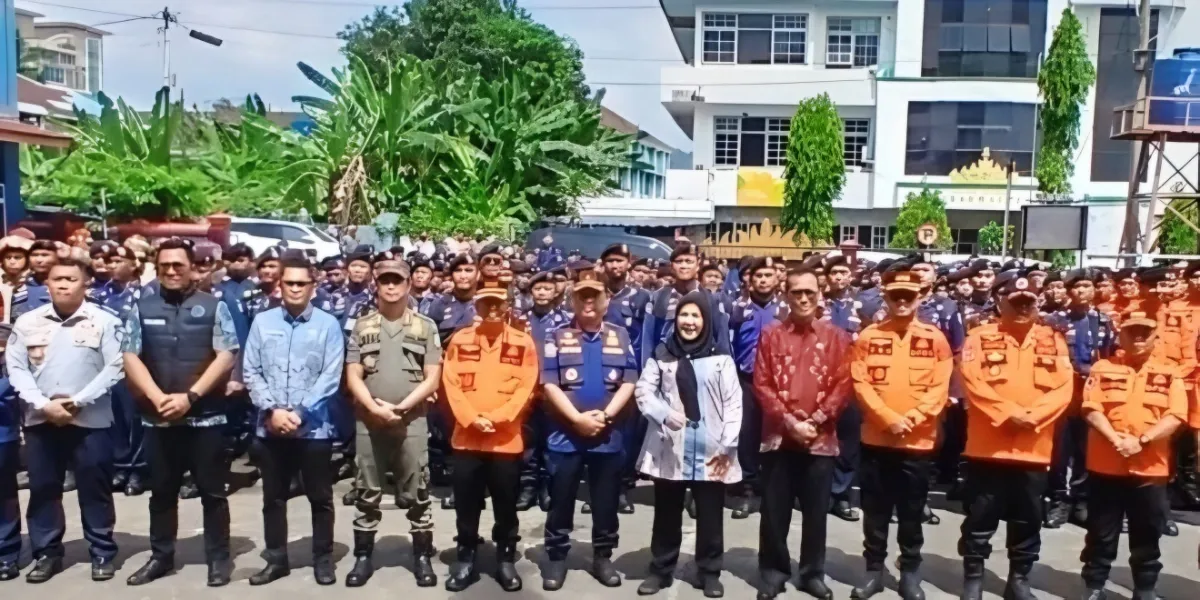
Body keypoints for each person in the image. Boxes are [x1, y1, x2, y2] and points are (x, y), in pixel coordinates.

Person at [120, 238, 240, 587]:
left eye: (179, 265)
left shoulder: (213, 306)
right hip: (159, 417)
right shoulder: (141, 307)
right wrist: (157, 397)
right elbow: (130, 355)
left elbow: (226, 353)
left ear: (192, 268)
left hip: (206, 417)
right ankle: (161, 556)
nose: (172, 271)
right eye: (165, 266)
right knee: (161, 492)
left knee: (213, 493)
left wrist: (191, 396)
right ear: (156, 268)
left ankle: (218, 559)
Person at [6, 256, 124, 583]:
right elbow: (16, 368)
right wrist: (44, 404)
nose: (62, 284)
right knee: (44, 488)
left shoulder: (105, 321)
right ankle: (47, 553)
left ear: (85, 283)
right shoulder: (28, 322)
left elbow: (114, 367)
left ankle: (102, 551)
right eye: (56, 279)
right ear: (47, 283)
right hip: (41, 420)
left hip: (90, 420)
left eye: (70, 279)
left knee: (94, 486)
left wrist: (76, 401)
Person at [958, 271, 1074, 600]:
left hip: (1033, 448)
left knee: (1028, 519)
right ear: (1001, 302)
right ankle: (974, 577)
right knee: (980, 516)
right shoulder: (980, 337)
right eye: (1016, 301)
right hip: (988, 447)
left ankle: (1019, 579)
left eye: (1029, 302)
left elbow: (1064, 387)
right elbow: (971, 379)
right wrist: (1008, 413)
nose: (1023, 307)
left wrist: (1033, 417)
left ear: (1038, 303)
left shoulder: (1054, 340)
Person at [849, 268, 953, 600]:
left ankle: (910, 572)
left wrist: (913, 417)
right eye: (896, 296)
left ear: (920, 297)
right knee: (875, 511)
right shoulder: (868, 337)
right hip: (877, 438)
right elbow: (860, 382)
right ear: (886, 298)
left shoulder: (935, 338)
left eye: (909, 295)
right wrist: (886, 417)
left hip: (917, 441)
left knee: (911, 513)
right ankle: (873, 572)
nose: (903, 301)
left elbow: (940, 385)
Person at [243, 255, 346, 586]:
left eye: (302, 283)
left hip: (314, 429)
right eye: (290, 283)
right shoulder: (263, 323)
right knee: (272, 498)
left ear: (313, 288)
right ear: (279, 285)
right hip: (270, 427)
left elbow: (331, 376)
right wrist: (273, 410)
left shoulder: (328, 325)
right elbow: (251, 370)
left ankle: (322, 558)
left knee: (320, 497)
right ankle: (276, 559)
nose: (296, 289)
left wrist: (300, 412)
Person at [633, 290, 741, 598]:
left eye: (696, 316)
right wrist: (664, 414)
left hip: (712, 449)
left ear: (706, 321)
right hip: (672, 448)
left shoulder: (721, 358)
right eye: (684, 315)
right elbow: (644, 392)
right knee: (666, 512)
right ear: (675, 318)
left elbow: (734, 404)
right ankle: (660, 570)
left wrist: (728, 443)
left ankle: (709, 572)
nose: (689, 322)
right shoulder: (663, 353)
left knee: (709, 513)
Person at [343, 251, 442, 588]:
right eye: (384, 279)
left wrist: (399, 410)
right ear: (376, 283)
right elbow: (353, 374)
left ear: (409, 283)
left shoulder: (425, 326)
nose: (390, 285)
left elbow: (432, 378)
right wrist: (374, 408)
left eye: (396, 279)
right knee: (366, 489)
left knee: (417, 489)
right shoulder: (363, 325)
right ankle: (363, 557)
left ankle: (422, 558)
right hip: (368, 421)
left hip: (411, 420)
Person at [754, 269, 853, 600]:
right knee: (774, 510)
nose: (804, 298)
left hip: (820, 438)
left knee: (815, 513)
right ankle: (773, 571)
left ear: (819, 293)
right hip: (779, 437)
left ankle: (812, 573)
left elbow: (843, 384)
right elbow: (762, 383)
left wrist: (818, 419)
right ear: (786, 295)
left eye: (810, 292)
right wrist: (789, 421)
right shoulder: (771, 335)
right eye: (796, 292)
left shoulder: (837, 337)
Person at [538, 268, 638, 591]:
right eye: (582, 296)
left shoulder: (620, 335)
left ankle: (603, 555)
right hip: (565, 434)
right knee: (561, 497)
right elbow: (550, 385)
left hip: (606, 435)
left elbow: (630, 381)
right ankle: (556, 557)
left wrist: (606, 417)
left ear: (606, 300)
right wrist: (577, 419)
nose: (589, 302)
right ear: (572, 301)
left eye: (595, 295)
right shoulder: (556, 335)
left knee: (605, 500)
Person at [440, 276, 538, 592]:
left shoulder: (523, 343)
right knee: (466, 504)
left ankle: (505, 559)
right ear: (477, 307)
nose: (493, 309)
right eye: (486, 303)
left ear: (508, 305)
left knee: (506, 505)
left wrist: (499, 418)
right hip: (467, 439)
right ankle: (466, 557)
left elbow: (527, 385)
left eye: (499, 302)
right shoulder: (460, 340)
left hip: (505, 440)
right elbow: (450, 383)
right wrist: (470, 418)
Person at [1078, 311, 1183, 600]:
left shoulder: (1170, 372)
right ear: (1120, 336)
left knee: (1148, 533)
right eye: (1132, 332)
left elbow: (1176, 415)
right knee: (1101, 532)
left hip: (1151, 468)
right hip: (1106, 465)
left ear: (1155, 337)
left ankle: (1145, 588)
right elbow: (1091, 408)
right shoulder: (1103, 368)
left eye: (1145, 332)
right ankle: (1095, 586)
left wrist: (1142, 440)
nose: (1138, 338)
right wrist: (1117, 440)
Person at [1042, 269, 1115, 529]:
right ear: (1069, 291)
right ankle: (1058, 499)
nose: (1082, 291)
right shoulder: (1053, 320)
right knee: (1059, 451)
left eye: (1087, 286)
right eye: (1077, 287)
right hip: (1062, 393)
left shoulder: (1103, 321)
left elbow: (1110, 355)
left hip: (1092, 394)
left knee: (1087, 450)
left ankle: (1081, 500)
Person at [728, 257, 784, 520]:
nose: (762, 280)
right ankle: (748, 489)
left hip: (778, 383)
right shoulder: (736, 309)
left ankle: (774, 491)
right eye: (758, 276)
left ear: (777, 279)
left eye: (768, 275)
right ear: (750, 280)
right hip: (746, 381)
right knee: (747, 435)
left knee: (774, 436)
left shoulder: (785, 310)